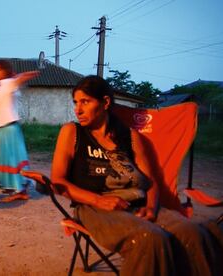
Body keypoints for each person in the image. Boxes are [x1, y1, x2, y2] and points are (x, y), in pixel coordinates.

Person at [50, 75, 222, 276]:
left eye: (85, 102)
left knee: (194, 234)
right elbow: (57, 181)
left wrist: (150, 208)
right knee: (149, 238)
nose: (77, 110)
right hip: (94, 208)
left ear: (105, 102)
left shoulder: (131, 138)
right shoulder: (73, 132)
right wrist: (98, 200)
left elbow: (150, 182)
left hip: (138, 206)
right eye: (76, 103)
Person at [0, 59, 39, 202]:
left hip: (9, 129)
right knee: (2, 158)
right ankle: (8, 189)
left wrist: (30, 74)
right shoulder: (1, 89)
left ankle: (1, 189)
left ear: (4, 71)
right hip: (4, 129)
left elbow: (21, 78)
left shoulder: (9, 84)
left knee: (5, 158)